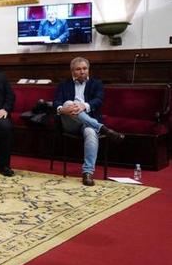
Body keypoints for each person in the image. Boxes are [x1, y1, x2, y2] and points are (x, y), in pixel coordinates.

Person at [53, 57, 125, 186]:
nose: (82, 71)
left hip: (87, 122)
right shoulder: (64, 84)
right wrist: (62, 109)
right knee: (69, 102)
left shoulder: (96, 84)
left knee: (91, 132)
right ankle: (103, 129)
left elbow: (98, 100)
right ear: (72, 71)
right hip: (70, 122)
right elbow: (56, 102)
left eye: (85, 69)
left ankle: (87, 173)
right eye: (79, 69)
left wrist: (84, 106)